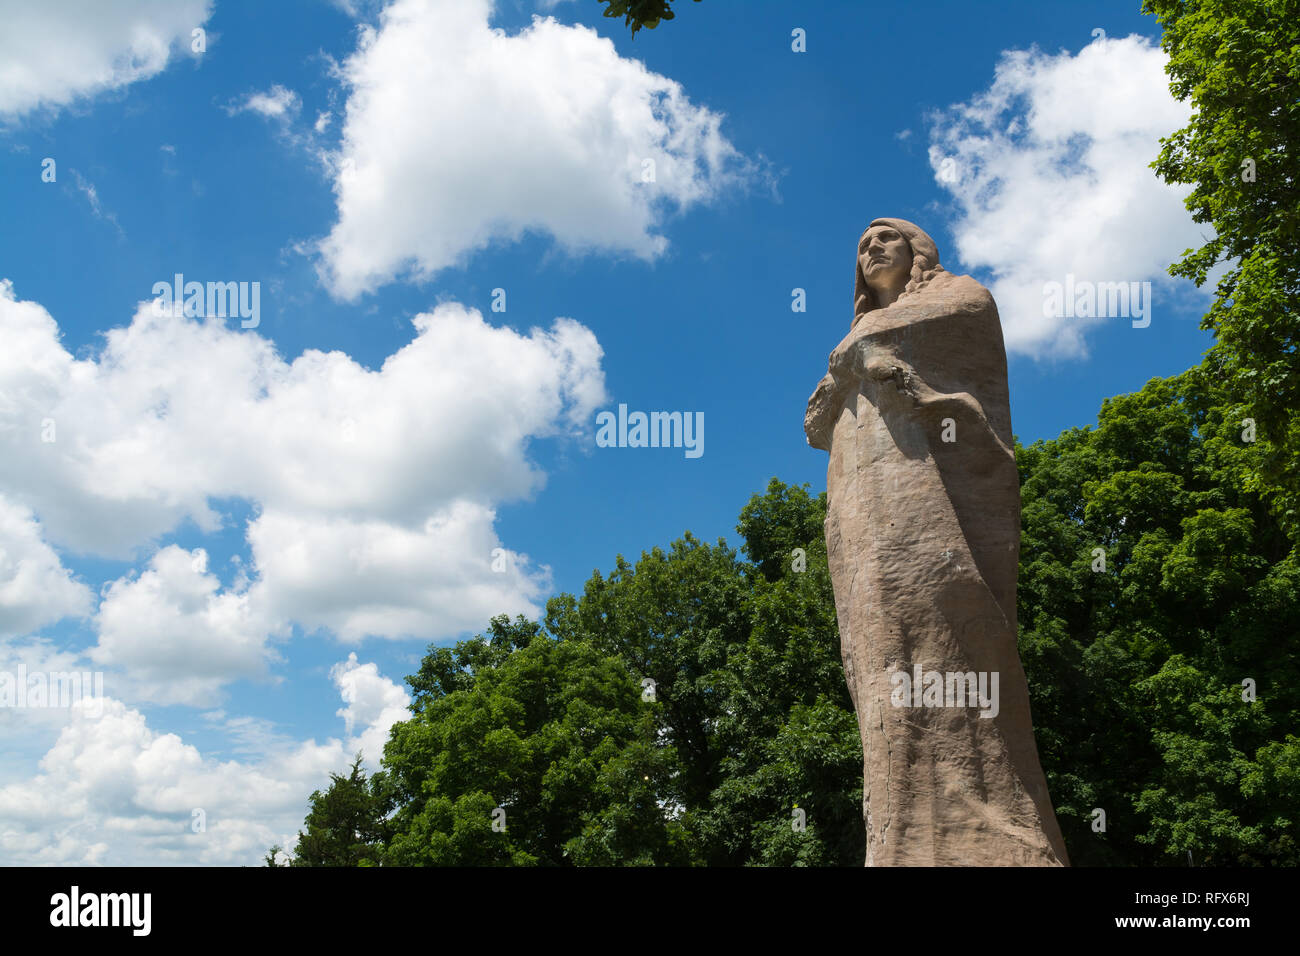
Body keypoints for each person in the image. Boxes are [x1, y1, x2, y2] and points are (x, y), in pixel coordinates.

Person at [805, 218, 1069, 866]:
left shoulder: (958, 299)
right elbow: (814, 423)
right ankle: (900, 842)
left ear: (919, 250)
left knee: (945, 643)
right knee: (880, 673)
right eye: (862, 245)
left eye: (885, 239)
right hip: (864, 519)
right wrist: (852, 368)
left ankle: (985, 839)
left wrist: (862, 363)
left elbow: (911, 341)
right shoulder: (859, 335)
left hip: (930, 512)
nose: (871, 251)